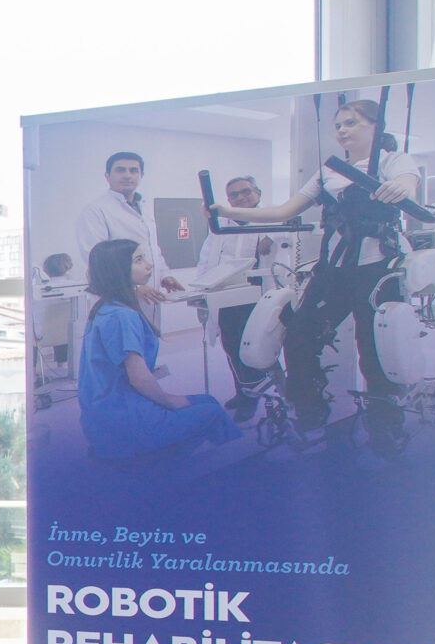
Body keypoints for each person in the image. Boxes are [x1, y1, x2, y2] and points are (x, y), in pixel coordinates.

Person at [211, 96, 425, 436]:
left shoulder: (393, 160)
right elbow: (283, 211)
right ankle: (310, 410)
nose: (342, 130)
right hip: (334, 271)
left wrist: (400, 188)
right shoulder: (329, 171)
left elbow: (408, 183)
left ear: (375, 126)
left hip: (377, 269)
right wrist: (228, 211)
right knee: (299, 335)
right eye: (338, 125)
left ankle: (385, 426)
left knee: (373, 350)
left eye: (351, 123)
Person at [76, 239, 243, 458]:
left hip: (103, 416)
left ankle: (174, 458)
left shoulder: (105, 307)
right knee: (212, 412)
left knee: (208, 400)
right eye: (139, 260)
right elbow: (138, 378)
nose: (149, 265)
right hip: (123, 420)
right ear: (117, 269)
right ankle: (232, 464)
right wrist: (170, 400)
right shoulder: (122, 316)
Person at [190, 175, 288, 416]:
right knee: (232, 346)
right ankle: (245, 395)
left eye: (246, 191)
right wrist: (199, 291)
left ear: (258, 193)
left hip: (260, 298)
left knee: (260, 346)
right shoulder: (220, 226)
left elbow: (289, 232)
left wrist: (272, 235)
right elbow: (206, 259)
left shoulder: (272, 218)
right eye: (234, 195)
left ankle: (283, 392)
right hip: (227, 296)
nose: (240, 197)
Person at [73, 150, 182, 295]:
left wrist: (164, 275)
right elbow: (96, 260)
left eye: (133, 171)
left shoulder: (145, 208)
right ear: (107, 176)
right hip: (118, 294)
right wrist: (133, 288)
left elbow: (152, 248)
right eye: (120, 170)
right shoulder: (95, 210)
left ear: (141, 175)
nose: (127, 175)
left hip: (151, 293)